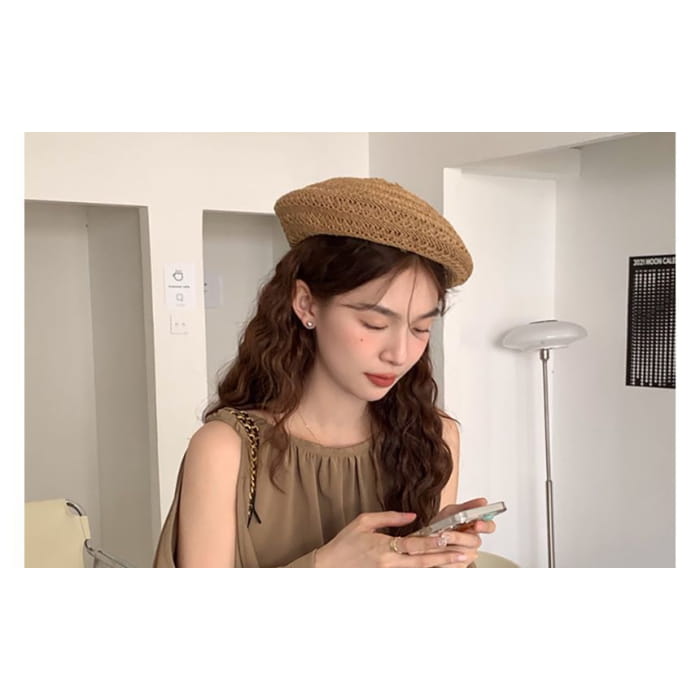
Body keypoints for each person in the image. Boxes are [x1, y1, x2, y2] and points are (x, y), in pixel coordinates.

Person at [153, 176, 496, 567]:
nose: (400, 354)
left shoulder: (435, 438)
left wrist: (438, 559)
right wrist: (325, 567)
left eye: (421, 328)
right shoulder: (225, 450)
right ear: (306, 304)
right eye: (374, 324)